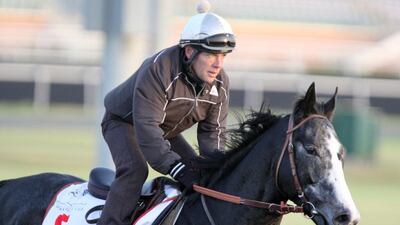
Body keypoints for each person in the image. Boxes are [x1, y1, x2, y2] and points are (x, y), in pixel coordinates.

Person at [97, 7, 236, 225]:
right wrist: (175, 166)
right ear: (189, 52)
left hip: (164, 130)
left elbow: (213, 133)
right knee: (135, 170)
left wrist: (217, 168)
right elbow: (147, 129)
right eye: (211, 54)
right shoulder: (159, 70)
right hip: (124, 123)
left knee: (201, 174)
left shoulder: (221, 83)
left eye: (223, 56)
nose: (218, 64)